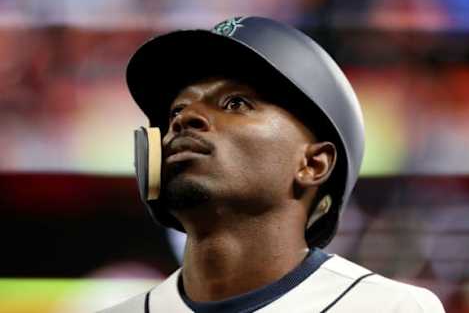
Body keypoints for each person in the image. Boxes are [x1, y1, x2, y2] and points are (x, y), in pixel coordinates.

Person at [100, 16, 445, 312]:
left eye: (235, 103)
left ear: (313, 164)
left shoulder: (390, 308)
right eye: (177, 111)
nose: (185, 118)